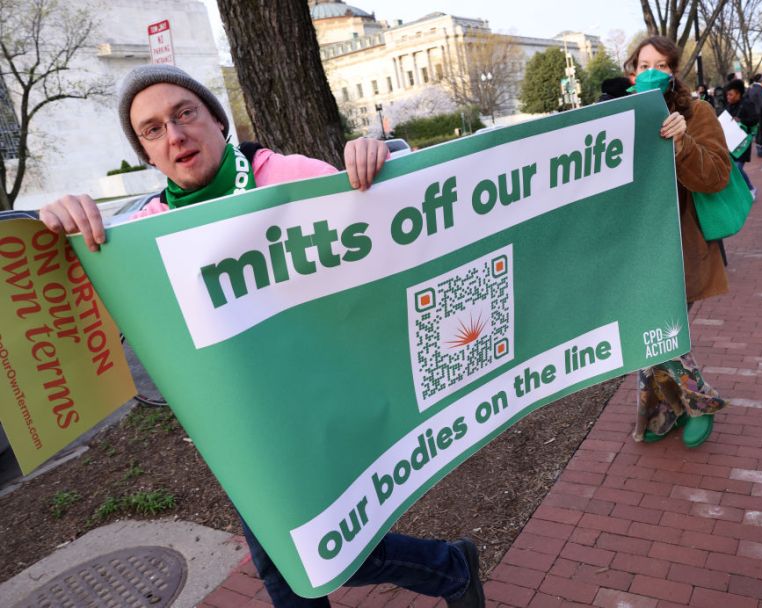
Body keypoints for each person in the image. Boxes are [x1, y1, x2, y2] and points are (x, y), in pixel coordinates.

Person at [38, 65, 485, 608]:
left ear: (217, 120)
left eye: (185, 113)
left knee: (317, 553)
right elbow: (91, 330)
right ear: (148, 155)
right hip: (243, 431)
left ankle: (452, 568)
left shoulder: (288, 175)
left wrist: (377, 164)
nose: (175, 135)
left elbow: (394, 234)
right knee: (286, 565)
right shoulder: (138, 233)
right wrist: (60, 236)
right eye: (153, 130)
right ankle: (453, 568)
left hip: (325, 403)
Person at [624, 36, 731, 448]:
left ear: (673, 73)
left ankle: (696, 404)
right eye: (643, 63)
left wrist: (683, 143)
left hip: (677, 247)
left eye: (662, 65)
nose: (651, 71)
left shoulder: (696, 112)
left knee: (664, 332)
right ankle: (663, 412)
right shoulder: (617, 116)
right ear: (631, 70)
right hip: (633, 249)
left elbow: (716, 175)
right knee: (644, 337)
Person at [723, 79, 759, 196]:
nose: (728, 97)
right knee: (733, 169)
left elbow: (755, 119)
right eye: (727, 94)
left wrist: (741, 120)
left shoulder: (747, 104)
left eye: (731, 94)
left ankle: (750, 189)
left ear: (738, 94)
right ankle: (744, 190)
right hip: (731, 142)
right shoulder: (729, 106)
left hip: (743, 142)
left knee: (738, 168)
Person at [747, 73, 762, 157]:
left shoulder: (751, 89)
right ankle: (761, 150)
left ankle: (759, 149)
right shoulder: (761, 89)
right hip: (761, 114)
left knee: (758, 132)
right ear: (760, 79)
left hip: (754, 113)